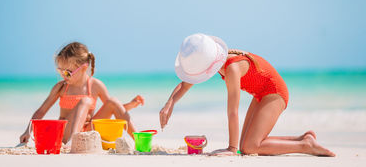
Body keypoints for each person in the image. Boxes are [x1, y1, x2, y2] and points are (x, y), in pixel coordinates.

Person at [159, 33, 335, 156]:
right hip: (261, 93)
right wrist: (169, 104)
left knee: (249, 147)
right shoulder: (220, 62)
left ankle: (306, 146)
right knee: (246, 147)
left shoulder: (232, 68)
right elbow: (185, 84)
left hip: (274, 92)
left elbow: (233, 112)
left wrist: (230, 148)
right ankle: (301, 138)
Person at [20, 42, 144, 144]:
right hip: (66, 134)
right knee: (86, 101)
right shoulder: (61, 87)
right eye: (60, 71)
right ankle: (73, 142)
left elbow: (113, 109)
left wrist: (130, 105)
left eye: (68, 72)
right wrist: (28, 131)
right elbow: (41, 111)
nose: (64, 76)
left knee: (113, 101)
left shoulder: (95, 85)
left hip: (88, 130)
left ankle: (139, 140)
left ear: (84, 67)